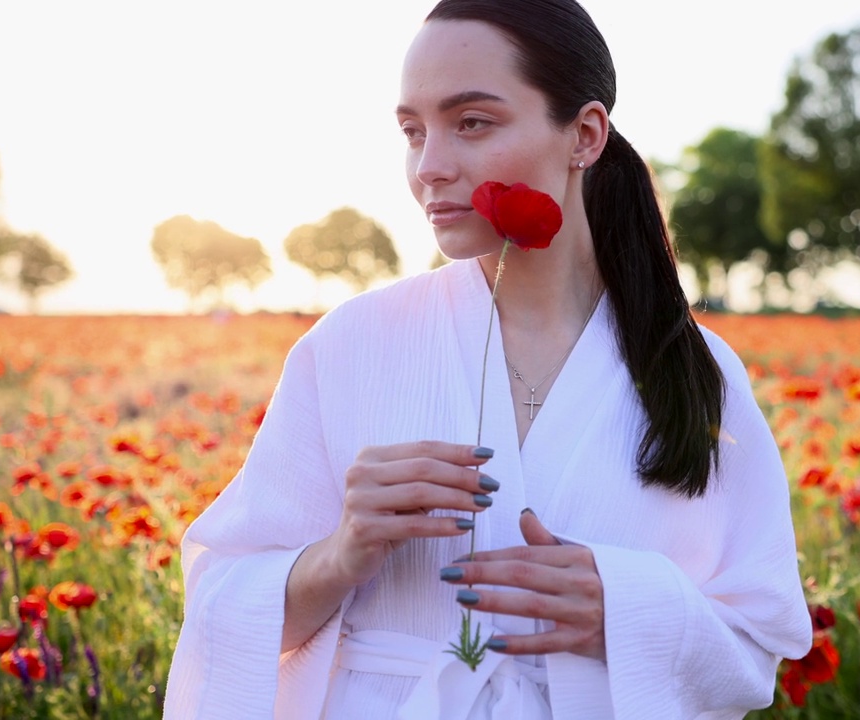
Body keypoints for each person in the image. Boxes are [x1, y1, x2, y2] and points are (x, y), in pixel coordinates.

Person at [164, 1, 811, 717]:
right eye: (412, 131)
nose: (429, 167)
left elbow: (757, 645)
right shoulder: (349, 345)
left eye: (472, 122)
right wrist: (340, 552)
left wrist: (629, 609)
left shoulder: (697, 374)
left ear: (586, 136)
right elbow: (221, 603)